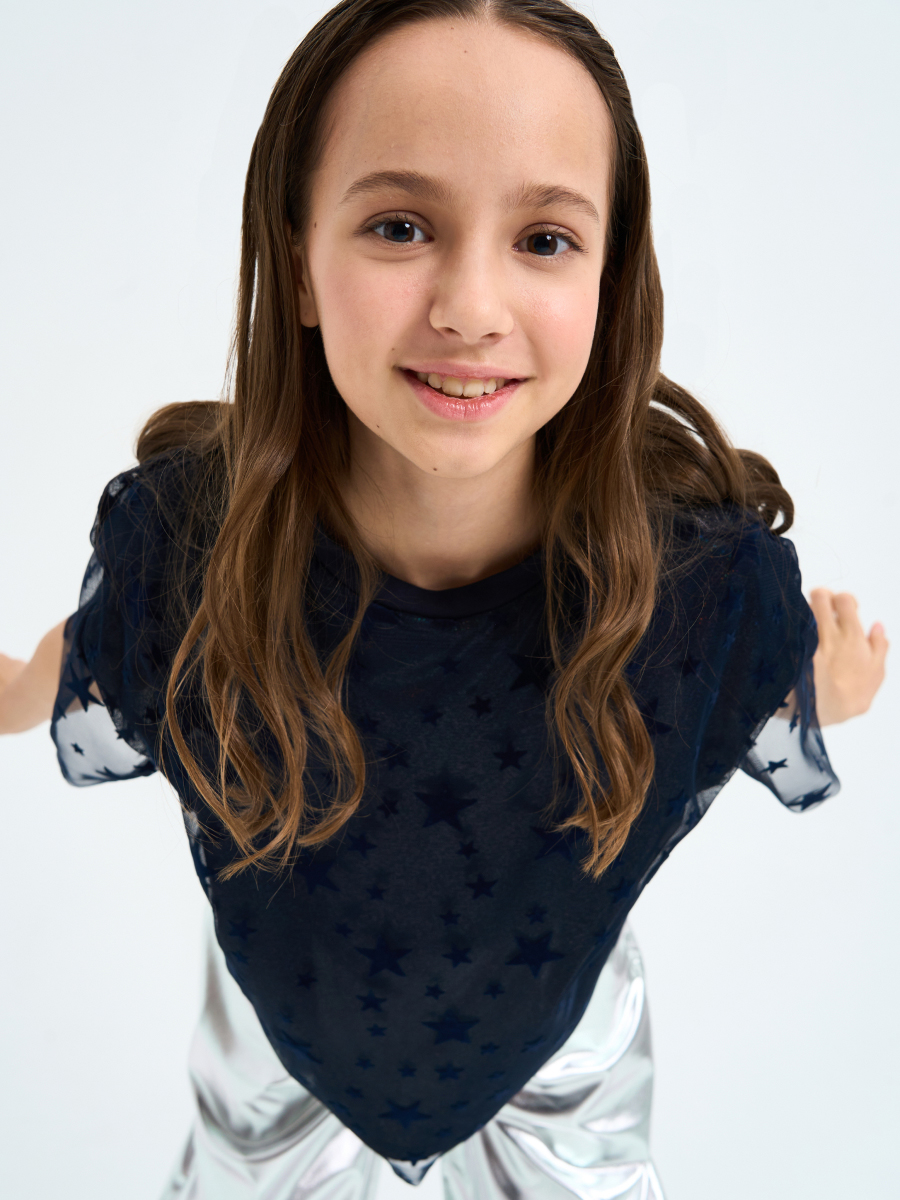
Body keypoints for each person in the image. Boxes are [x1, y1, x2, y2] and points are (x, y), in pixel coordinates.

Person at [0, 1, 888, 1196]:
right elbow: (116, 643)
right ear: (299, 260)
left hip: (561, 1034)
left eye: (545, 239)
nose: (471, 307)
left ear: (611, 274)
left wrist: (828, 683)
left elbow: (758, 674)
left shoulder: (699, 581)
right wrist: (23, 688)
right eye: (401, 226)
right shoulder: (185, 540)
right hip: (278, 1020)